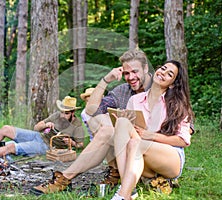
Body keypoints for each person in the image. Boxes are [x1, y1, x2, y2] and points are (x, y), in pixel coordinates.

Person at [30, 49, 154, 195]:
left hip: (150, 147)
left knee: (110, 126)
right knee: (100, 122)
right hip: (126, 147)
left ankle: (66, 179)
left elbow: (186, 126)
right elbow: (91, 110)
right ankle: (69, 178)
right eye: (127, 73)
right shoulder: (123, 91)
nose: (131, 77)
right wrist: (106, 80)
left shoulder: (160, 86)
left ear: (145, 68)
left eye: (135, 71)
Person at [111, 60, 194, 200]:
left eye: (169, 74)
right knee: (122, 124)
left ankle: (122, 195)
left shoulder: (178, 104)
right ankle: (129, 191)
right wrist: (124, 122)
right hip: (141, 154)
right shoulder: (135, 99)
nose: (163, 73)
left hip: (170, 157)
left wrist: (150, 135)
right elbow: (131, 136)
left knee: (135, 144)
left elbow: (183, 141)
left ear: (172, 83)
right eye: (163, 68)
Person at [0, 96, 85, 161]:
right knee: (6, 128)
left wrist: (72, 143)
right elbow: (36, 127)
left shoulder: (77, 126)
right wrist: (46, 125)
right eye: (62, 112)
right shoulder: (57, 115)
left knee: (11, 147)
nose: (63, 115)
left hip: (47, 147)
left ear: (73, 113)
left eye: (66, 113)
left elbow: (80, 145)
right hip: (39, 136)